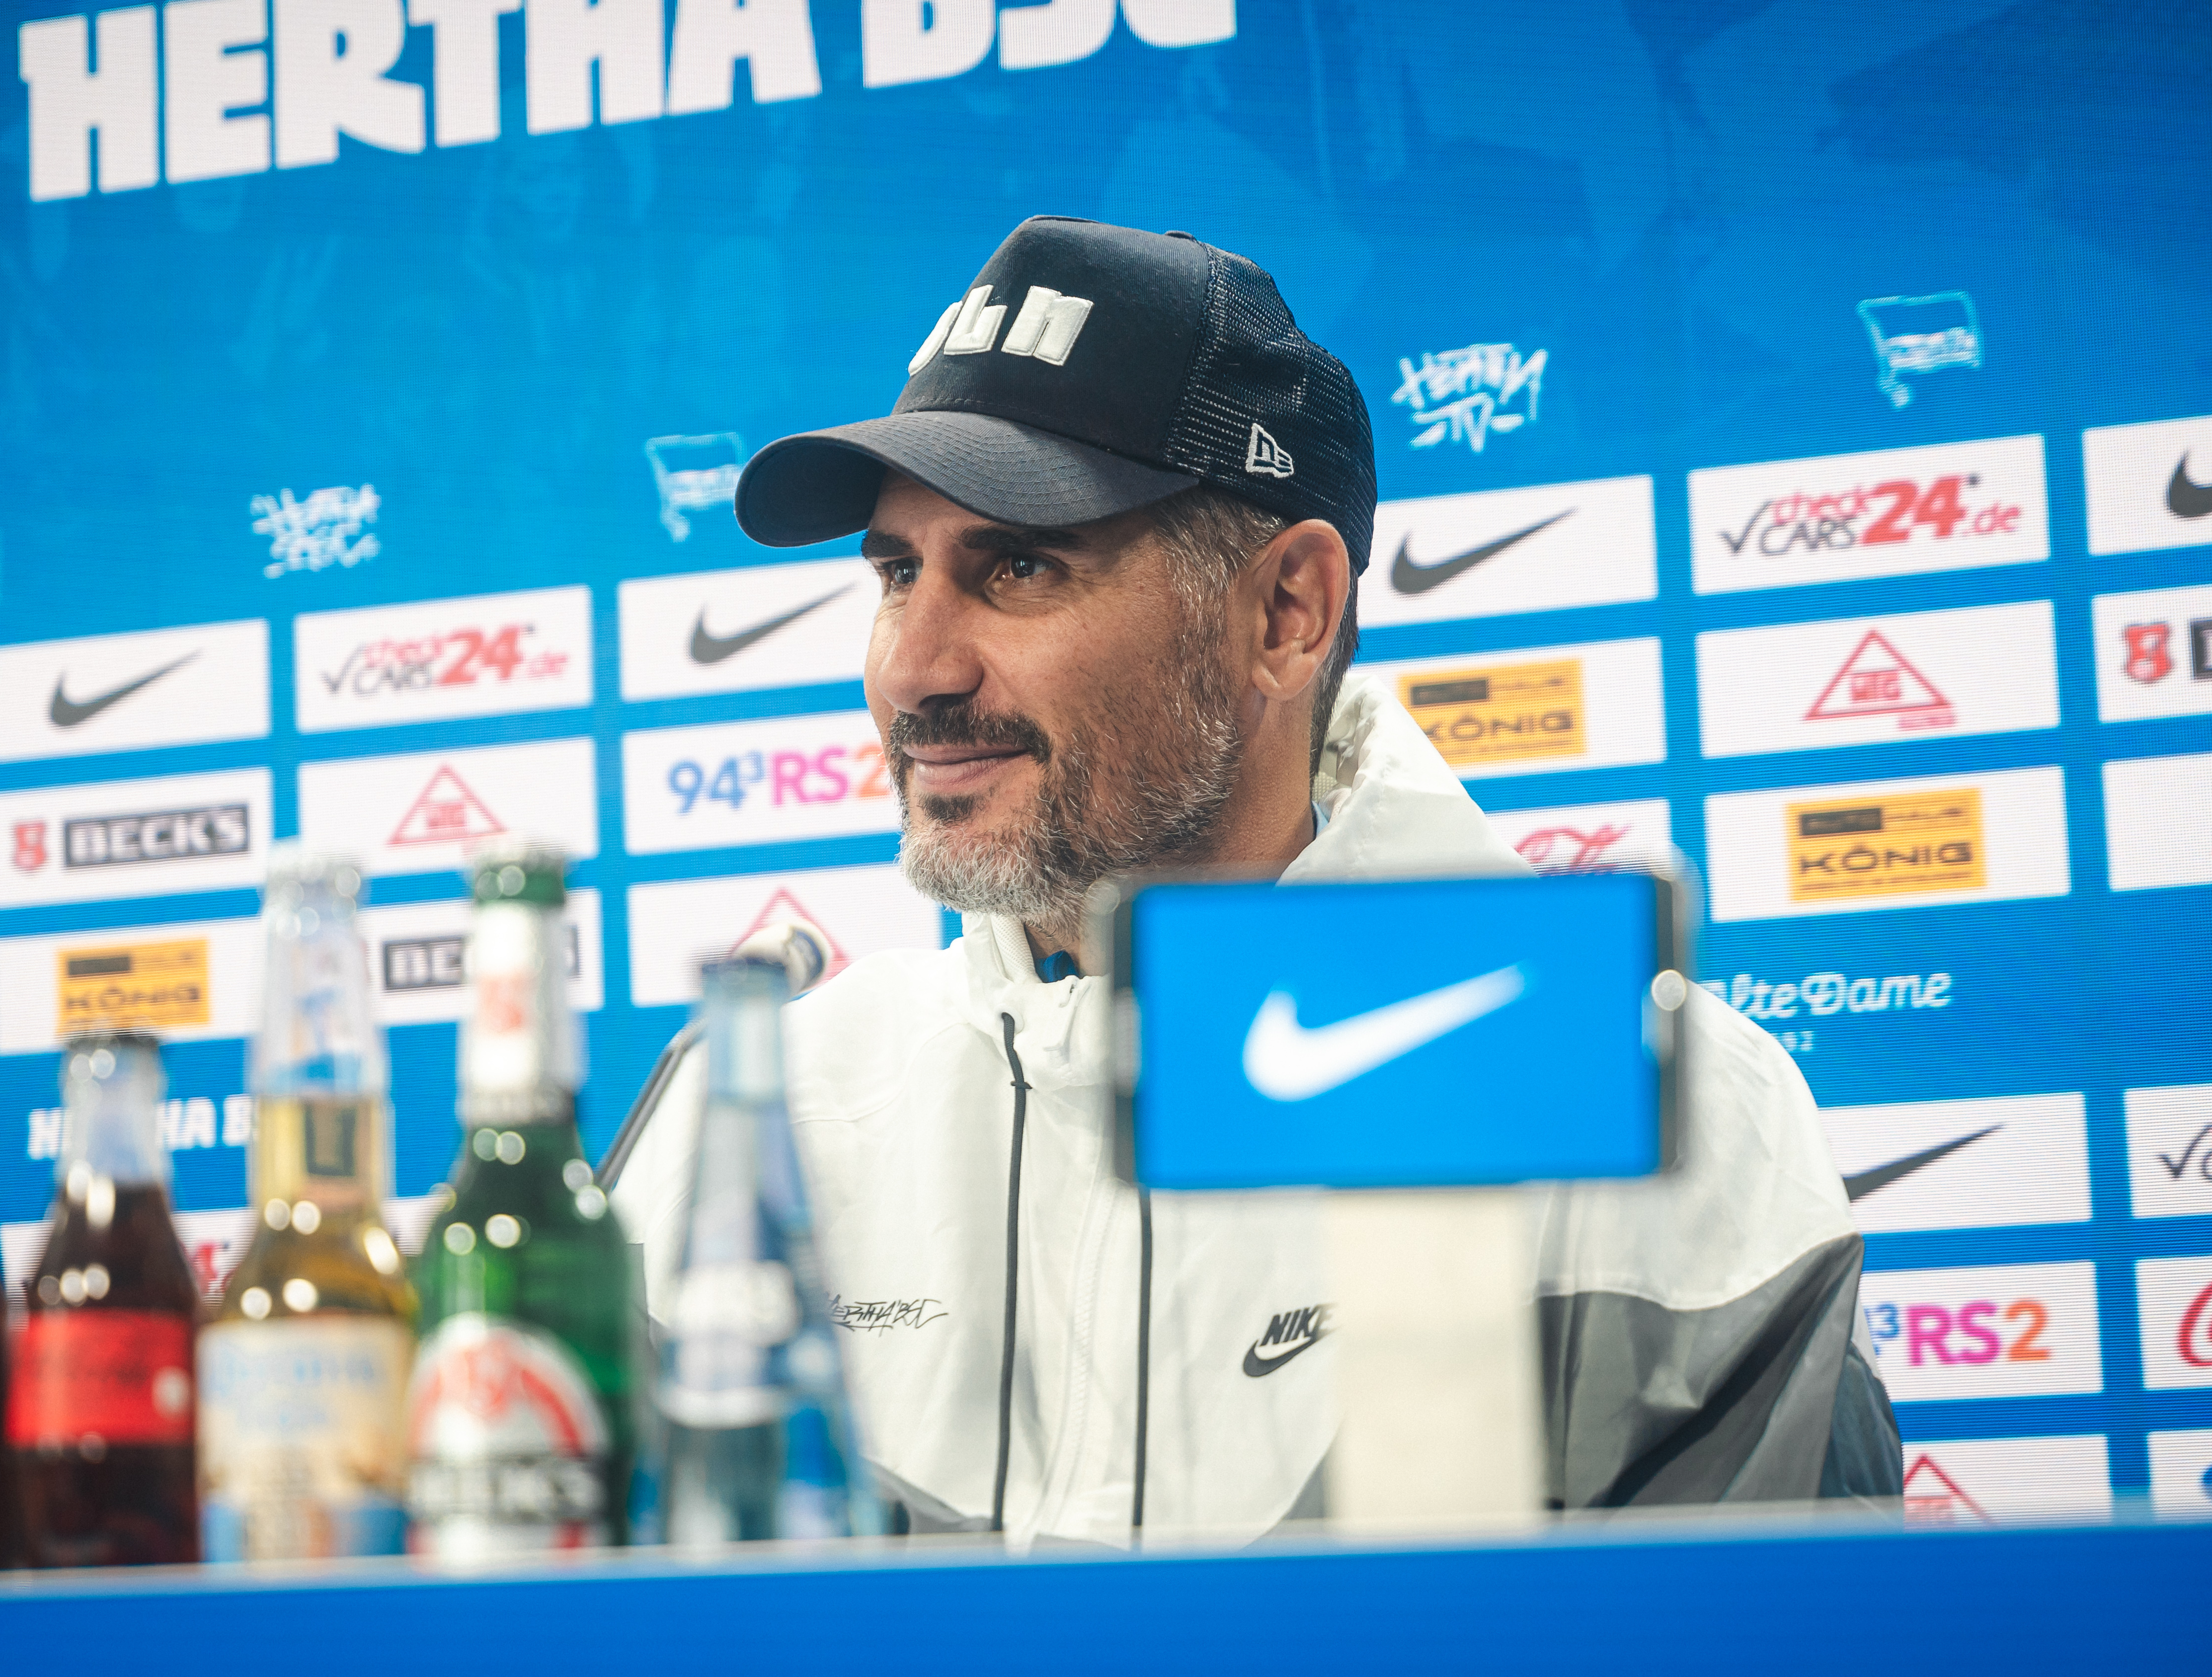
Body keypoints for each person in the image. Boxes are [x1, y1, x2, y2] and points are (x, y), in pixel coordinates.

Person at [610, 217, 1899, 1546]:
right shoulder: (758, 1109)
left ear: (1286, 613)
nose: (916, 670)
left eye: (1021, 566)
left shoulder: (1628, 1091)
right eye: (896, 574)